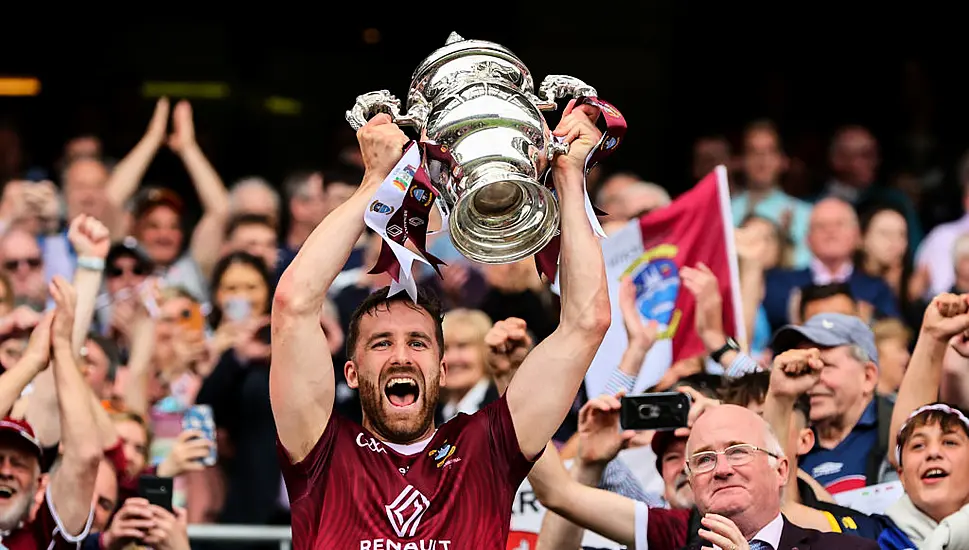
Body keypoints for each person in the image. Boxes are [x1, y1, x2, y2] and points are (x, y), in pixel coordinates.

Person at [270, 103, 612, 548]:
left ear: (442, 368)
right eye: (379, 344)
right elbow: (293, 305)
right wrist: (374, 182)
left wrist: (568, 175)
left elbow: (587, 322)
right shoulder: (321, 452)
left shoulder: (486, 448)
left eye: (417, 343)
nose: (400, 355)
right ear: (350, 373)